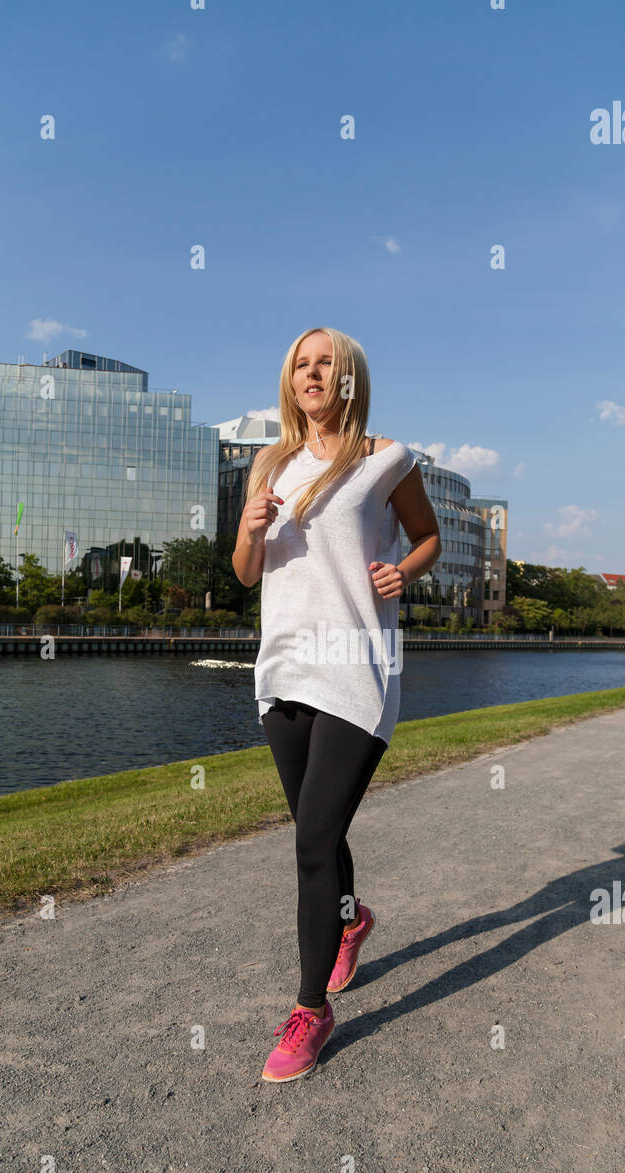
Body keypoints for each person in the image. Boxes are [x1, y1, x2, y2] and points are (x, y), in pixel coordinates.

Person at [232, 326, 441, 1082]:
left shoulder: (388, 457)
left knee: (314, 842)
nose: (311, 375)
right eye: (300, 366)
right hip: (285, 668)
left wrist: (405, 571)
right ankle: (352, 921)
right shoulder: (270, 462)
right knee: (316, 829)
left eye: (324, 365)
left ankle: (311, 1009)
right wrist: (251, 531)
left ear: (348, 378)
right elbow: (247, 573)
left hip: (356, 668)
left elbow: (429, 537)